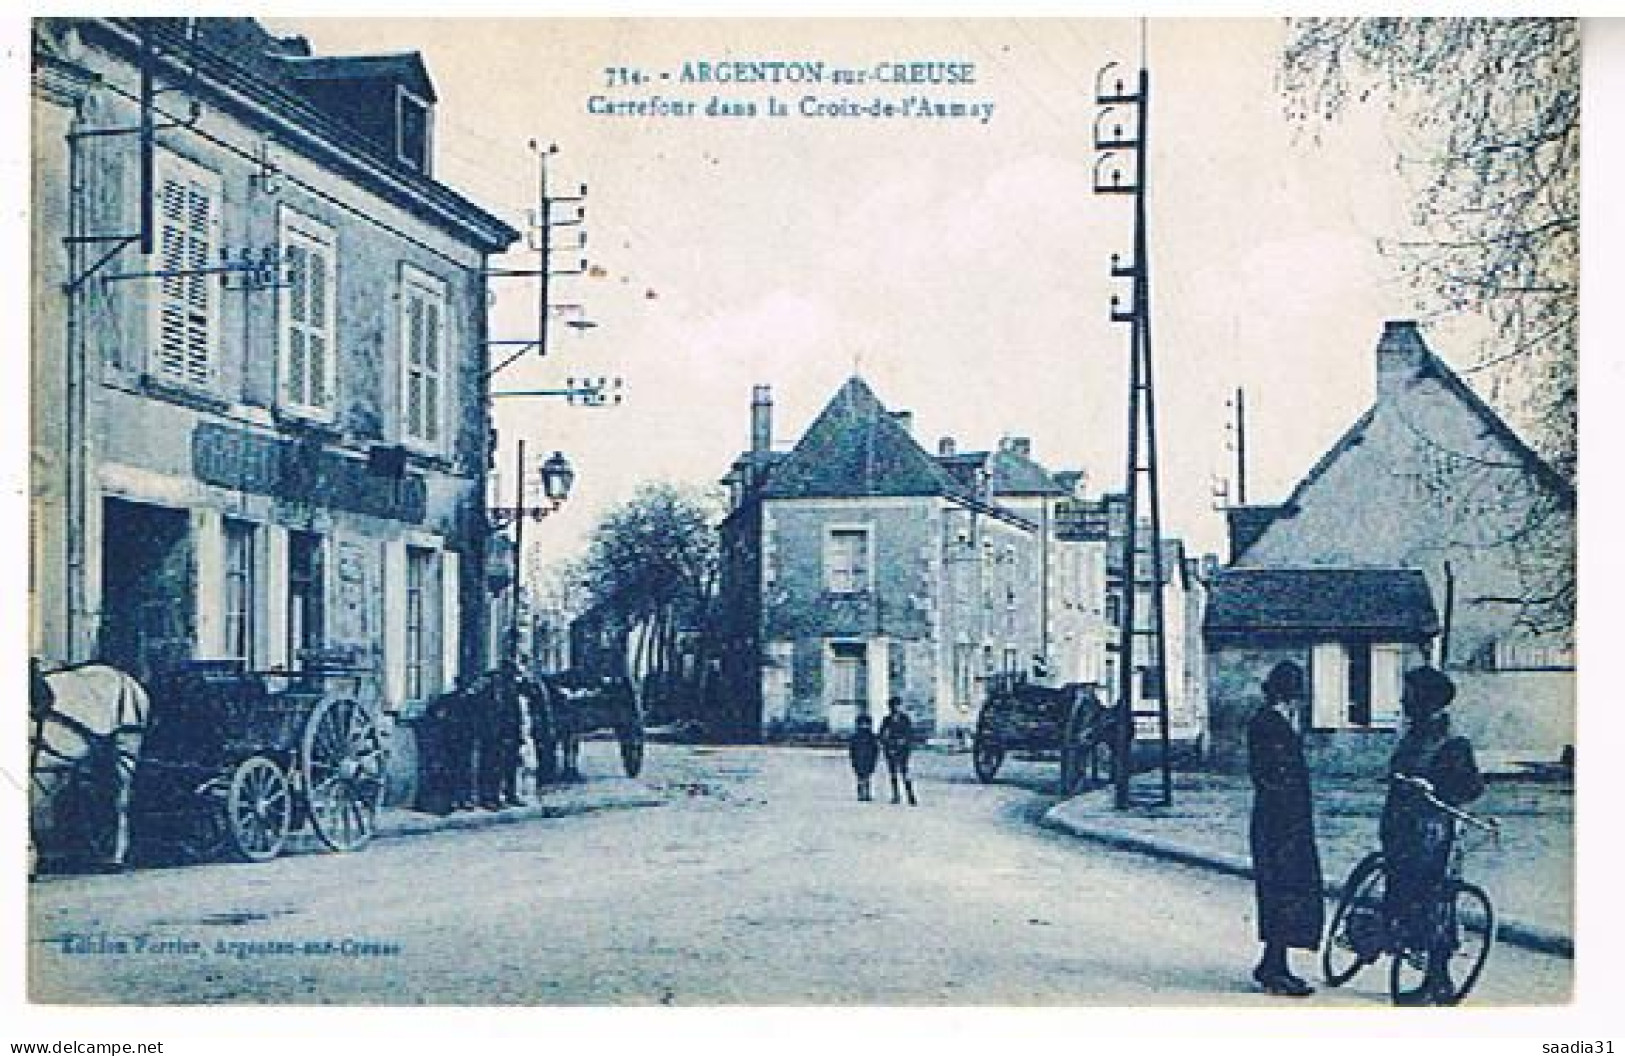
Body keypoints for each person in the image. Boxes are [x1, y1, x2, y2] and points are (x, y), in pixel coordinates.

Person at [1381, 665, 1484, 1006]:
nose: (1402, 699)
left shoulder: (1452, 741)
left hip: (1434, 835)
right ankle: (1432, 978)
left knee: (1435, 904)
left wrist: (1435, 787)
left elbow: (1470, 787)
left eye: (1409, 694)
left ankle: (1437, 981)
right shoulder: (1416, 733)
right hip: (1404, 832)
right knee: (1411, 902)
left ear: (1427, 699)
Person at [1246, 660, 1323, 997]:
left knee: (1287, 889)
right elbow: (1273, 776)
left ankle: (1273, 962)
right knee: (1282, 889)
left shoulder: (1276, 721)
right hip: (1279, 821)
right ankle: (1275, 968)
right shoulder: (1268, 724)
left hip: (1286, 819)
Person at [877, 697, 917, 806]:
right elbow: (881, 735)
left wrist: (904, 741)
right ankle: (896, 795)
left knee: (905, 772)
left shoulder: (905, 719)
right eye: (894, 706)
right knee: (893, 773)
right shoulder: (887, 720)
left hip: (903, 750)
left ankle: (910, 795)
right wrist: (887, 744)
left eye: (898, 705)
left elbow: (910, 733)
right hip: (890, 749)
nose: (896, 708)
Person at [849, 714, 880, 801]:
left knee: (867, 777)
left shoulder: (871, 737)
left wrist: (874, 759)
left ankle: (866, 793)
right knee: (860, 777)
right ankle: (861, 793)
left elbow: (875, 749)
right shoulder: (856, 737)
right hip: (859, 759)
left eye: (866, 724)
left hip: (868, 759)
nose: (864, 726)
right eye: (862, 724)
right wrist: (853, 760)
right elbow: (852, 750)